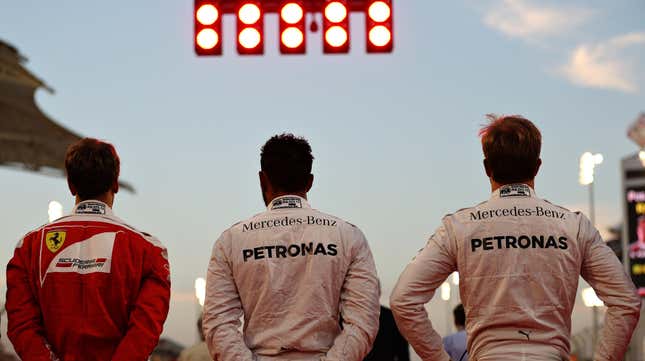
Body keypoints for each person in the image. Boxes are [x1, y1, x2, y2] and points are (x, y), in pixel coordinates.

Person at [390, 116, 641, 360]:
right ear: (538, 166)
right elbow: (626, 301)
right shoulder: (573, 226)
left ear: (487, 167)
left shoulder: (459, 227)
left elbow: (403, 300)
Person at [203, 133, 380, 361]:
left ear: (262, 179)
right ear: (310, 181)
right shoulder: (348, 236)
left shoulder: (231, 241)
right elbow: (363, 323)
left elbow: (218, 326)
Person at [6, 138, 171, 360]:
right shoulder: (149, 251)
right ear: (115, 184)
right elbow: (144, 331)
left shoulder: (28, 247)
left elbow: (21, 326)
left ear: (71, 185)